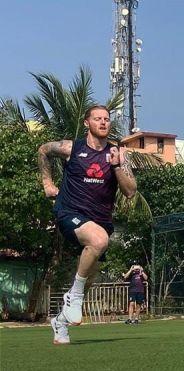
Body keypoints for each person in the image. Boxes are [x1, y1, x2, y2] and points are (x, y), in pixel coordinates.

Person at [39, 105, 138, 344]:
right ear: (87, 123)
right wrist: (47, 182)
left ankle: (60, 323)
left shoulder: (118, 154)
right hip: (69, 213)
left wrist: (116, 166)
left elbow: (131, 191)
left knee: (89, 278)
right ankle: (73, 296)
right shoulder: (71, 148)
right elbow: (43, 150)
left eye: (106, 119)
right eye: (98, 119)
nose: (103, 122)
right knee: (99, 240)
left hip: (101, 221)